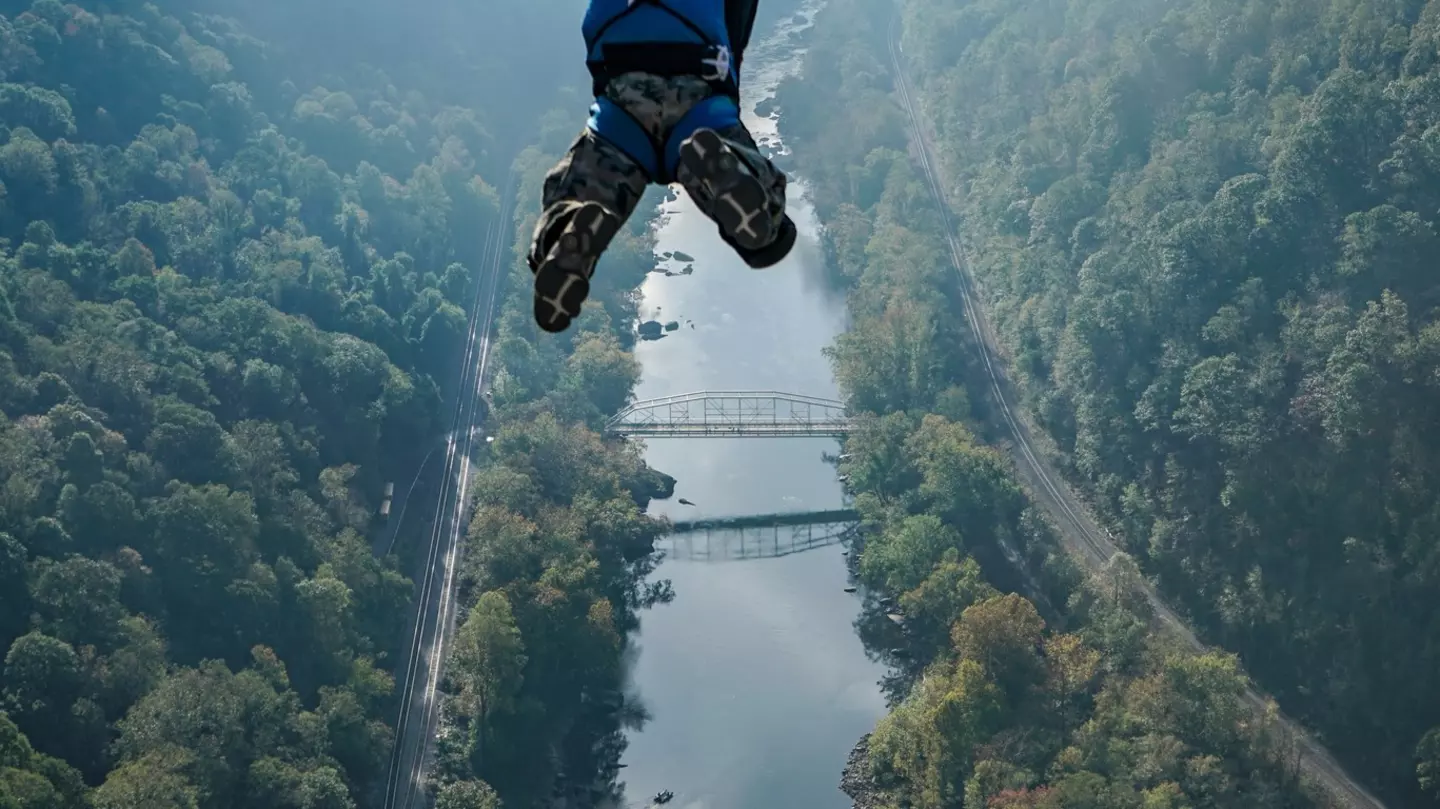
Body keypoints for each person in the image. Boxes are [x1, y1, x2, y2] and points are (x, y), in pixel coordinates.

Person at [527, 0, 798, 333]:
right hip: (699, 81)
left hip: (621, 85)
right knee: (772, 236)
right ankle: (726, 165)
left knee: (575, 189)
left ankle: (566, 225)